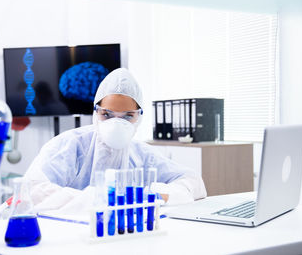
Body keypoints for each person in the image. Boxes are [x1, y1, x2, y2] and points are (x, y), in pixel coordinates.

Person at [24, 68, 206, 213]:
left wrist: (154, 195)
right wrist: (103, 200)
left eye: (127, 116)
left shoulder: (142, 153)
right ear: (96, 112)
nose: (116, 124)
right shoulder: (70, 145)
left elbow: (192, 182)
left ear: (139, 117)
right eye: (107, 114)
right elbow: (32, 190)